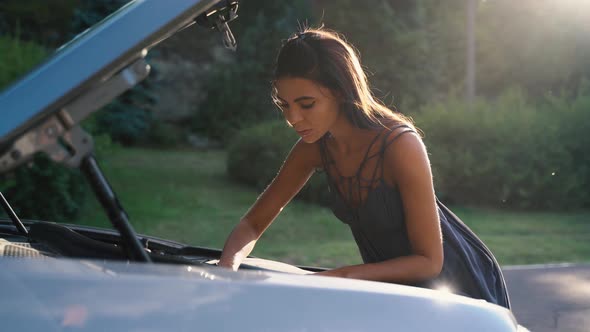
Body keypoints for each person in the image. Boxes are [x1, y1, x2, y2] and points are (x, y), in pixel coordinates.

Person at [218, 28, 510, 309]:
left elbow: (430, 261)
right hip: (393, 291)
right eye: (285, 105)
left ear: (341, 92)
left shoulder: (400, 144)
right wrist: (226, 270)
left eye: (306, 104)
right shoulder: (315, 148)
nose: (293, 118)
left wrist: (340, 277)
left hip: (455, 290)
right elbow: (252, 224)